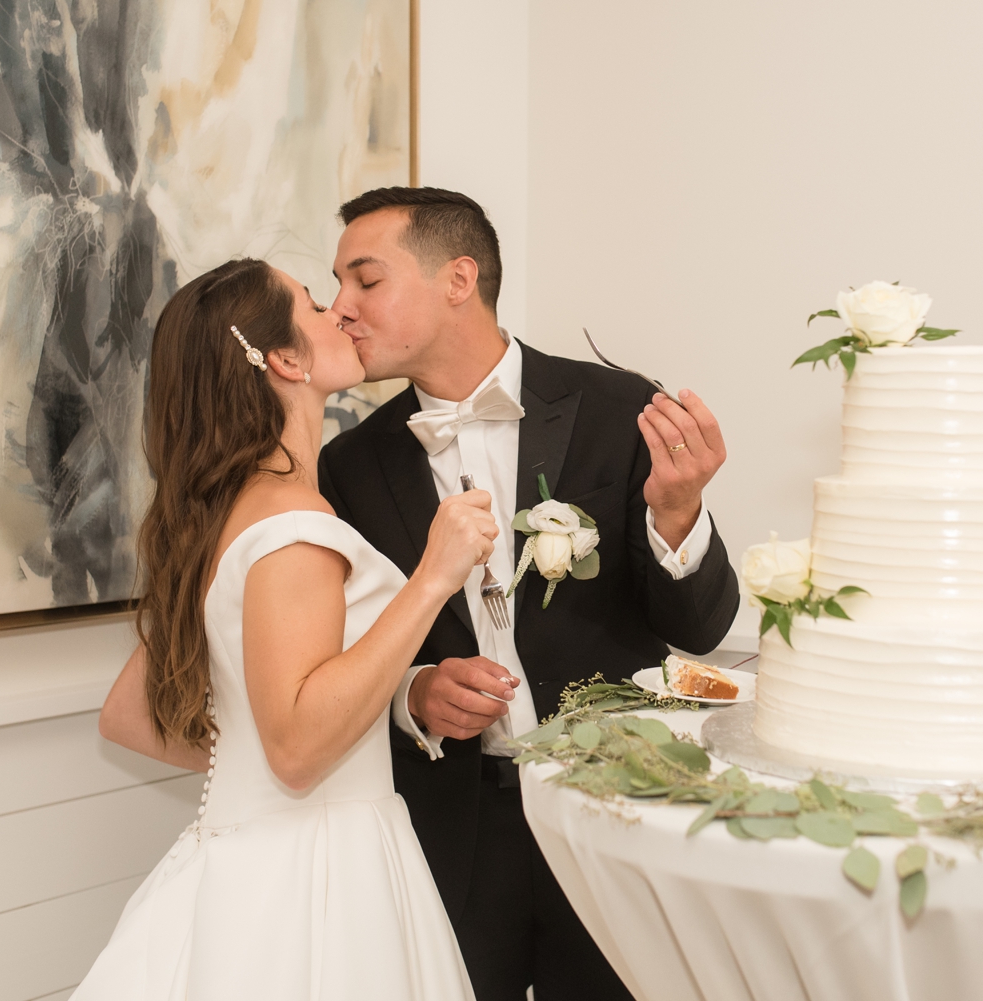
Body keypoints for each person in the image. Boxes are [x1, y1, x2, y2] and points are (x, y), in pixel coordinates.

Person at [318, 187, 741, 1001]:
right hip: (452, 827)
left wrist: (679, 515)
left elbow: (699, 626)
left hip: (608, 816)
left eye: (364, 281)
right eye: (336, 284)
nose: (342, 308)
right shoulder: (353, 463)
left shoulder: (621, 409)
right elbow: (346, 652)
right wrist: (416, 692)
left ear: (458, 279)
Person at [79, 258, 489, 999]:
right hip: (320, 880)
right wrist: (433, 577)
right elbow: (298, 748)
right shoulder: (294, 526)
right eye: (313, 301)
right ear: (286, 359)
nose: (339, 310)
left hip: (249, 871)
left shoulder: (223, 513)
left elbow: (131, 714)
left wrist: (255, 765)